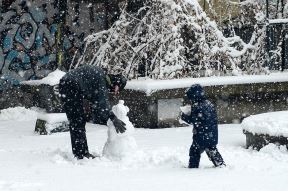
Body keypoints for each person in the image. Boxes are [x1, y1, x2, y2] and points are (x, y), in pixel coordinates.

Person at [59, 65, 127, 159]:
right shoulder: (101, 80)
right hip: (71, 86)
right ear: (115, 84)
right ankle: (81, 154)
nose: (114, 92)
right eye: (116, 90)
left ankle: (80, 153)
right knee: (77, 121)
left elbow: (96, 101)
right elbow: (101, 103)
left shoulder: (100, 75)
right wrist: (113, 118)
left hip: (66, 84)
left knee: (77, 121)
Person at [181, 84, 225, 168]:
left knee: (194, 151)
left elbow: (194, 121)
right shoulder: (209, 104)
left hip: (201, 136)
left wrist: (184, 116)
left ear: (194, 96)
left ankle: (193, 168)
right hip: (212, 135)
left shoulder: (197, 106)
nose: (190, 100)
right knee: (212, 149)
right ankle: (220, 165)